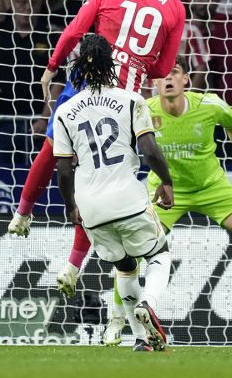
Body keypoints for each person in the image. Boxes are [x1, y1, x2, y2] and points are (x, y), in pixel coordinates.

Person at [7, 0, 186, 297]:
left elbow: (75, 30)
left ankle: (22, 213)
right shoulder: (176, 7)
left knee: (54, 148)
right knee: (98, 176)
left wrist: (51, 67)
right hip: (124, 97)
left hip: (86, 82)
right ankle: (73, 266)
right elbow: (164, 69)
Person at [99, 63, 232, 345]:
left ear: (186, 79)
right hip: (165, 192)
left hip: (211, 187)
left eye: (175, 72)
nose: (169, 78)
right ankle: (116, 320)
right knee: (130, 253)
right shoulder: (143, 110)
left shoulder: (211, 105)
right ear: (154, 83)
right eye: (163, 74)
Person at [52, 33, 175, 352]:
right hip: (127, 199)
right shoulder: (130, 100)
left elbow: (64, 170)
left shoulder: (66, 111)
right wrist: (166, 181)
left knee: (124, 266)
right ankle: (147, 304)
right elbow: (150, 150)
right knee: (159, 256)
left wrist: (70, 206)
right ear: (112, 63)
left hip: (91, 208)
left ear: (78, 64)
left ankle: (141, 339)